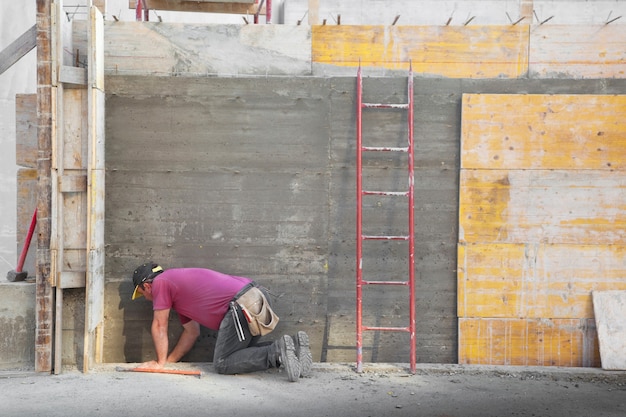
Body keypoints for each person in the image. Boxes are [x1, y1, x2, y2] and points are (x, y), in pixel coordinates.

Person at [129, 262, 312, 382]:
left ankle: (278, 352)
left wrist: (159, 363)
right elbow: (192, 333)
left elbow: (160, 325)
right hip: (256, 296)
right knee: (241, 354)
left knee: (223, 363)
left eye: (143, 293)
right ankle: (293, 347)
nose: (146, 298)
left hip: (241, 305)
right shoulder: (179, 293)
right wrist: (168, 362)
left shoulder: (161, 282)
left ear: (146, 286)